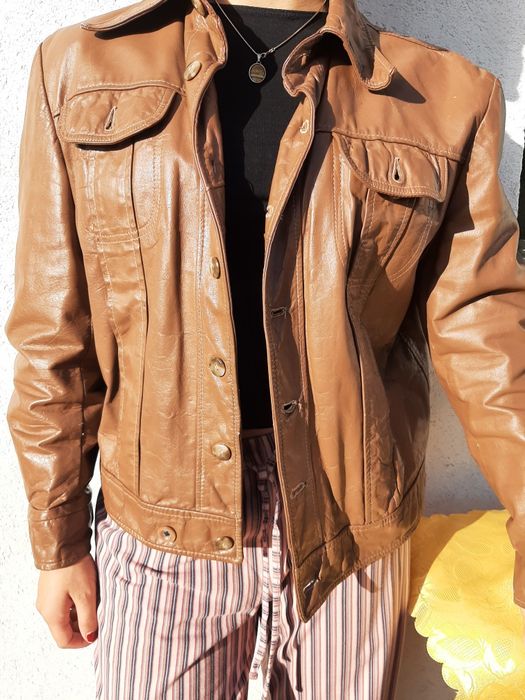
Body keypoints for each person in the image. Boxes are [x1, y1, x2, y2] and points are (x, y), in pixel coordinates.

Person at [5, 0, 525, 697]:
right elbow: (53, 325)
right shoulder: (80, 67)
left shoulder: (445, 97)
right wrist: (58, 536)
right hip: (161, 520)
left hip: (349, 529)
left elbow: (485, 335)